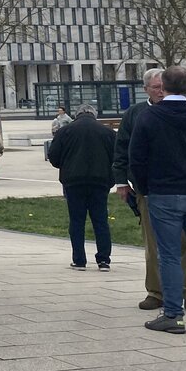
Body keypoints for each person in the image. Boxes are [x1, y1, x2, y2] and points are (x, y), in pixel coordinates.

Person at [112, 68, 186, 314]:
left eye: (161, 86)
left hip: (172, 189)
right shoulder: (138, 115)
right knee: (156, 245)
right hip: (158, 190)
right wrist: (126, 183)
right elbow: (125, 151)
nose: (159, 91)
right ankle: (157, 291)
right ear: (148, 89)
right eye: (155, 87)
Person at [47, 104, 116, 271]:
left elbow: (53, 156)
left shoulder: (65, 131)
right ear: (94, 114)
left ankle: (79, 260)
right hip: (100, 181)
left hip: (73, 180)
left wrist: (66, 166)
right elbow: (117, 157)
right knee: (100, 221)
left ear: (76, 115)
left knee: (77, 221)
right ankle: (104, 260)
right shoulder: (107, 132)